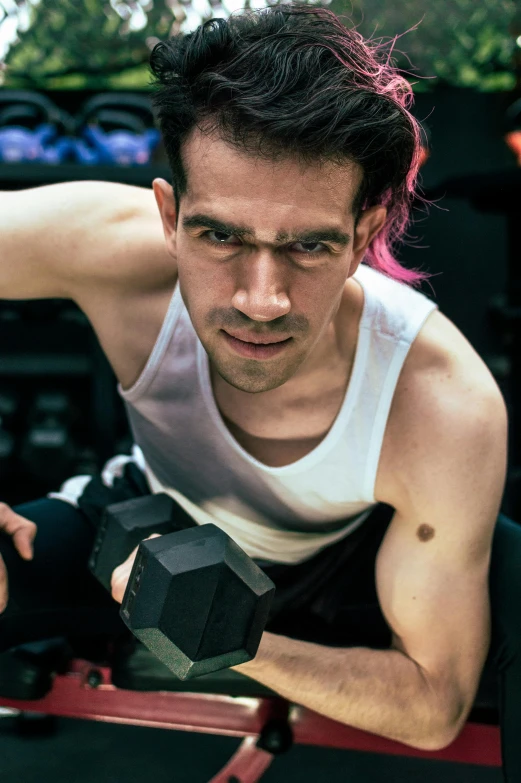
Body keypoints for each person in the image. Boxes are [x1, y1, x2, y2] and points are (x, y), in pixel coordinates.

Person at [0, 4, 518, 777]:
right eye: (221, 236)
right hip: (145, 518)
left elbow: (432, 704)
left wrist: (234, 639)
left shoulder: (440, 403)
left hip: (345, 567)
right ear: (169, 217)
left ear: (361, 233)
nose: (260, 299)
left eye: (308, 245)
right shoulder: (109, 246)